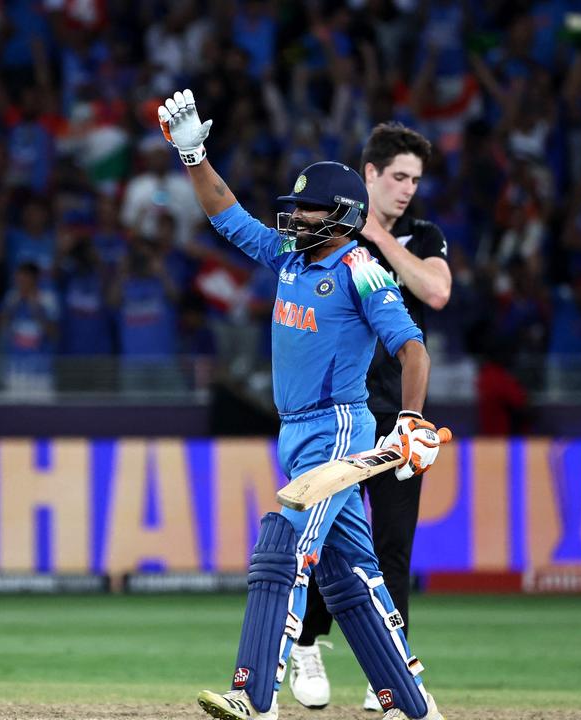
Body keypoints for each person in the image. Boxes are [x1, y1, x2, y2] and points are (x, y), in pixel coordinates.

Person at [157, 89, 445, 720]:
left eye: (312, 211)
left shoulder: (362, 268)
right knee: (353, 580)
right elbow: (225, 214)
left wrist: (411, 421)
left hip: (339, 430)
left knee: (282, 547)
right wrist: (192, 154)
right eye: (297, 207)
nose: (298, 218)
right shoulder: (289, 256)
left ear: (341, 217)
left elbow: (414, 350)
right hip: (295, 433)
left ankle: (253, 695)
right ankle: (414, 706)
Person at [289, 123, 452, 712]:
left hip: (401, 413)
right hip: (341, 410)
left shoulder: (422, 235)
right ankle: (305, 644)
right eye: (399, 177)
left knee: (393, 547)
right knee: (329, 532)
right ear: (370, 176)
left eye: (415, 179)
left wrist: (381, 237)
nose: (408, 188)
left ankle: (387, 671)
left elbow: (436, 293)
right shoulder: (329, 233)